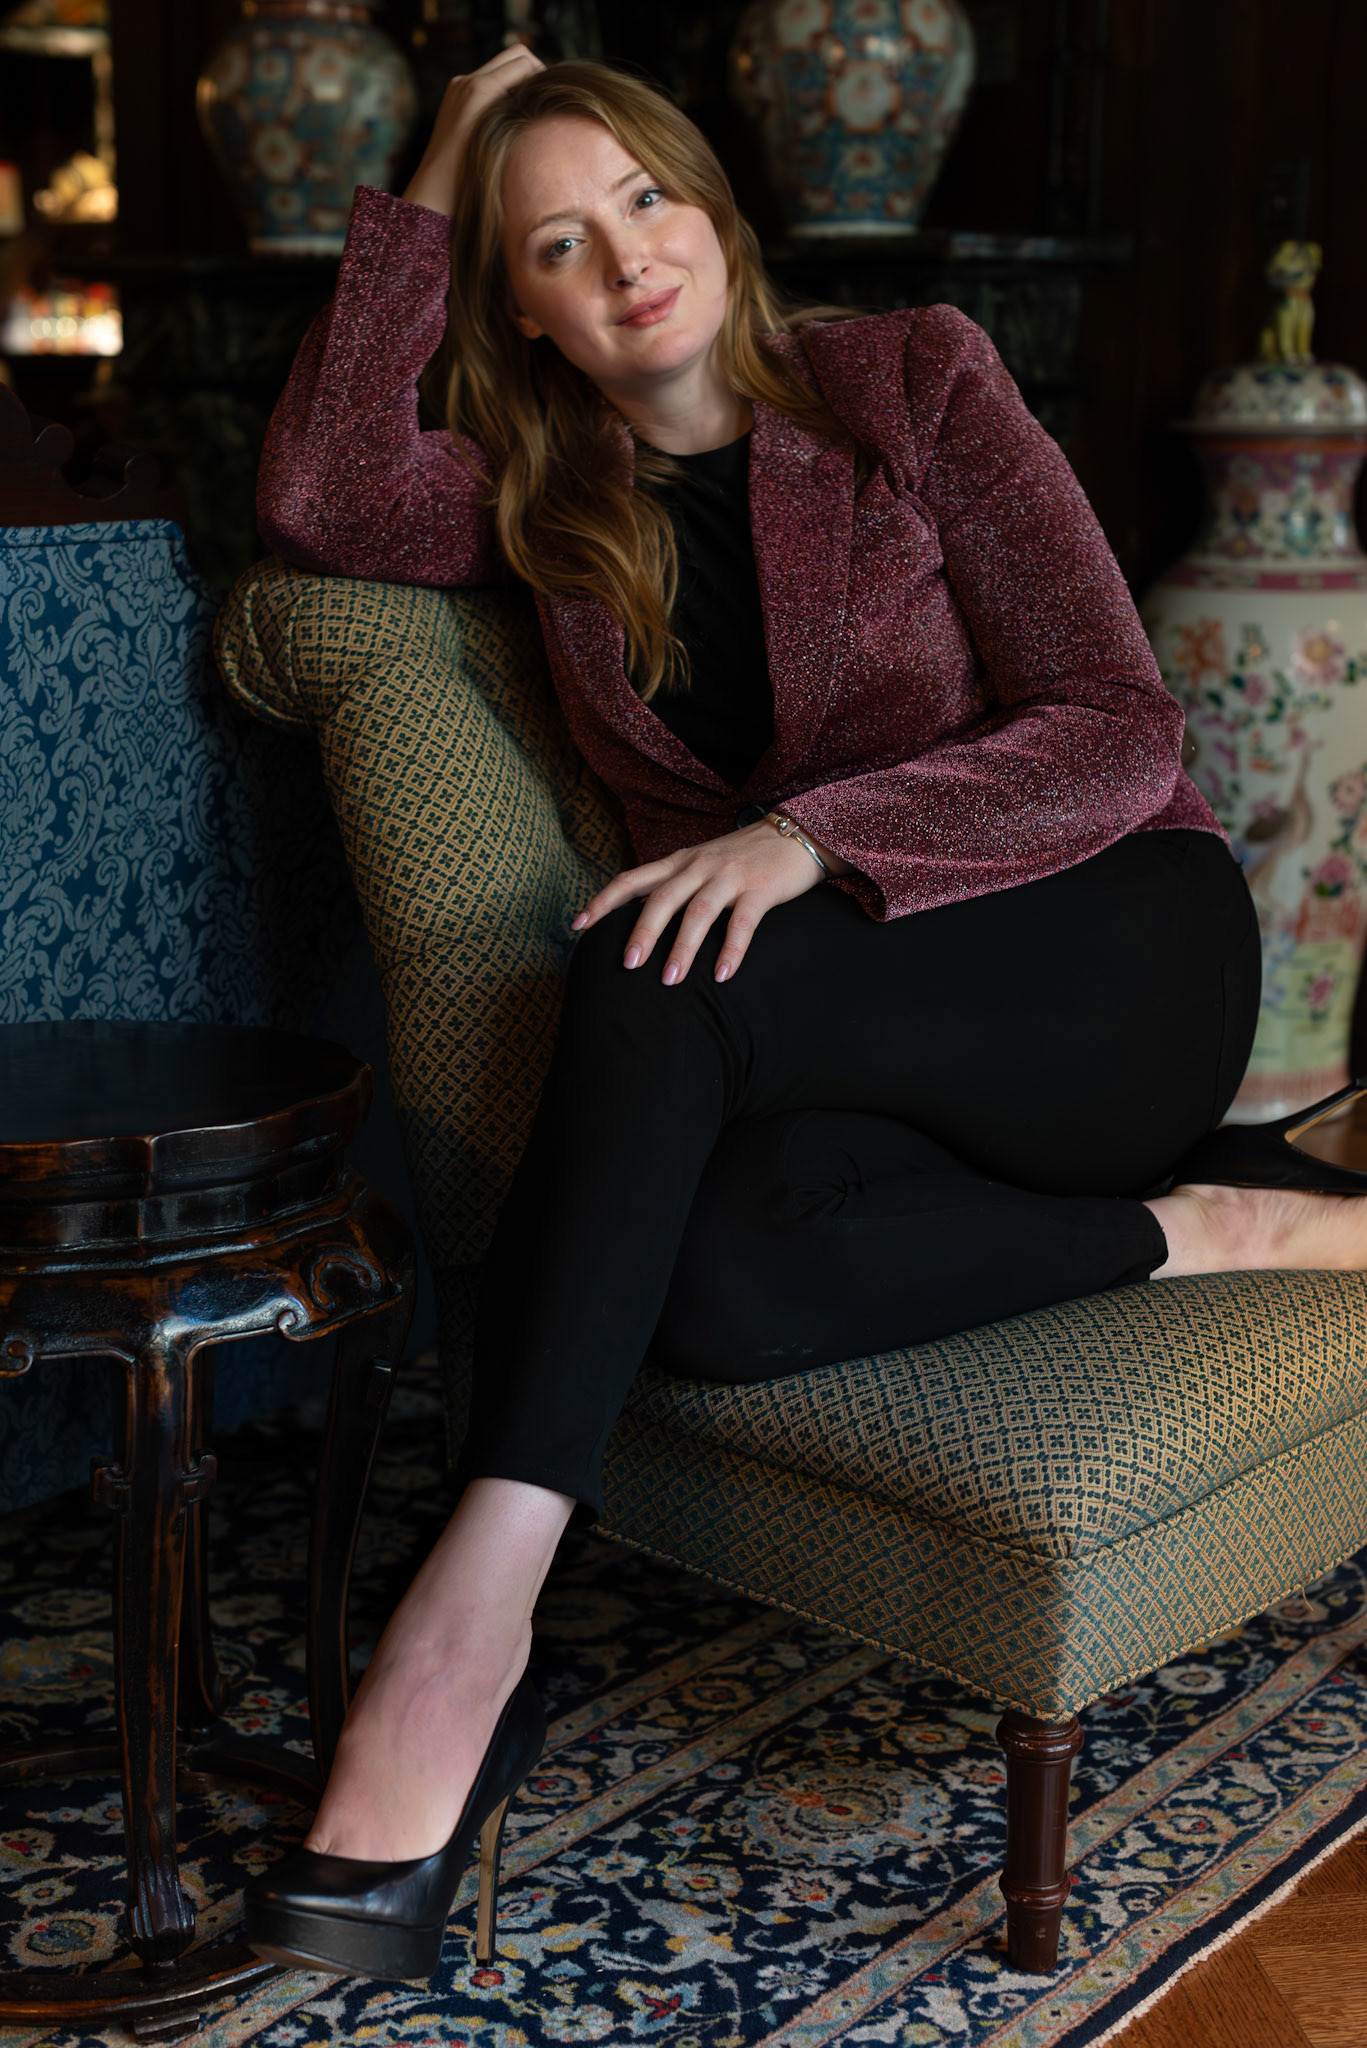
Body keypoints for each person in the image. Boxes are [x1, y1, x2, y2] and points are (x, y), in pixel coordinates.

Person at [242, 47, 1367, 1984]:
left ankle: (468, 1622)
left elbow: (1119, 724)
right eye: (557, 244)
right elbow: (326, 492)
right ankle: (1209, 1225)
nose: (628, 261)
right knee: (713, 1281)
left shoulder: (908, 379)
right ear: (521, 307)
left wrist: (807, 840)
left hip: (1107, 956)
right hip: (849, 1038)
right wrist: (438, 161)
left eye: (645, 199)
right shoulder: (542, 505)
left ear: (715, 202)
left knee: (651, 954)